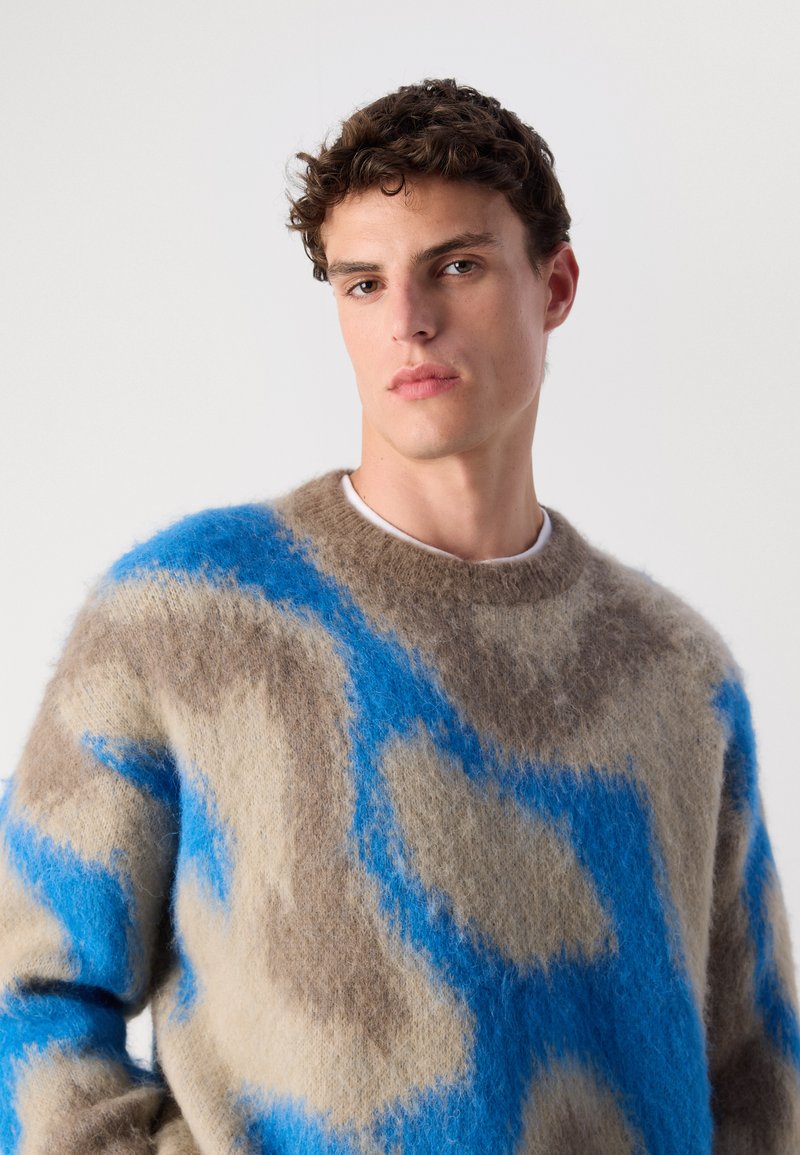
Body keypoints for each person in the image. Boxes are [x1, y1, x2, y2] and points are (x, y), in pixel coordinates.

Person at [1, 76, 798, 1154]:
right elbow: (26, 985)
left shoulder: (674, 669)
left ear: (555, 284)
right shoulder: (184, 619)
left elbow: (756, 1069)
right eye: (363, 283)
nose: (407, 322)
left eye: (456, 267)